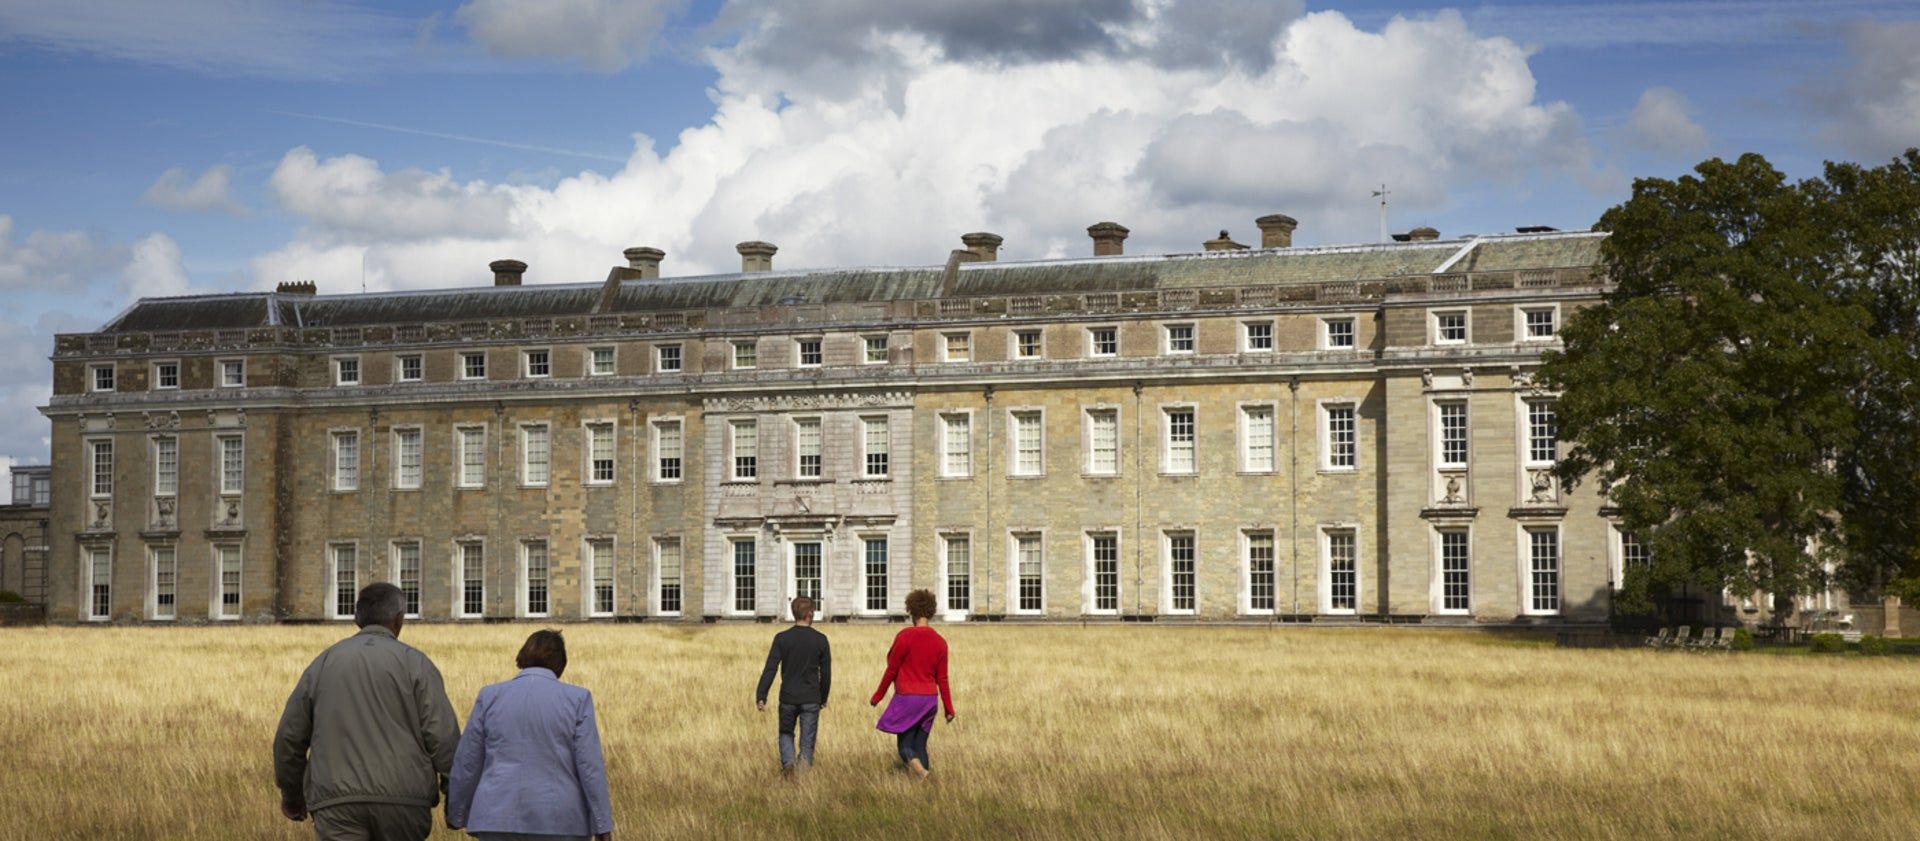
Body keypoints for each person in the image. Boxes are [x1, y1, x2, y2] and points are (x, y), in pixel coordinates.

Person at [274, 583, 461, 841]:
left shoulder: (323, 663)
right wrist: (455, 795)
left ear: (356, 618)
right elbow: (443, 738)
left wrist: (292, 794)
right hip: (405, 801)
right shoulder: (416, 664)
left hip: (337, 802)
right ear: (399, 619)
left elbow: (289, 736)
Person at [446, 629, 614, 841]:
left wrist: (457, 812)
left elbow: (467, 761)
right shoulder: (578, 699)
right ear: (561, 664)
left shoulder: (489, 696)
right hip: (561, 821)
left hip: (496, 819)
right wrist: (602, 824)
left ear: (522, 657)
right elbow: (590, 767)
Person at [869, 589, 955, 780]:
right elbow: (943, 679)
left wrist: (878, 696)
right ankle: (924, 790)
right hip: (930, 700)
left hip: (907, 698)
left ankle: (923, 774)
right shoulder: (940, 642)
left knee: (904, 747)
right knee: (920, 746)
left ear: (911, 610)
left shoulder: (904, 637)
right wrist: (949, 709)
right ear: (931, 611)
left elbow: (892, 670)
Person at [755, 595, 832, 775]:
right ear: (810, 613)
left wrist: (761, 695)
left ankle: (789, 766)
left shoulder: (782, 638)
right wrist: (823, 696)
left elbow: (770, 669)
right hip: (811, 697)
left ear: (794, 613)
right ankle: (802, 776)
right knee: (807, 740)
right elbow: (826, 674)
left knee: (785, 733)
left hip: (788, 697)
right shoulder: (821, 640)